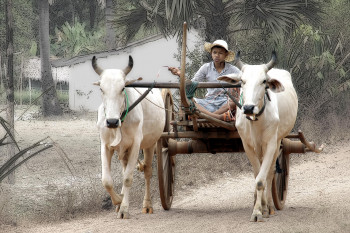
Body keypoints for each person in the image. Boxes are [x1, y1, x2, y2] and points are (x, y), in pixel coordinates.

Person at [168, 39, 240, 121]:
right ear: (211, 53)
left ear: (226, 55)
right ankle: (217, 117)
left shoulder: (233, 70)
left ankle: (209, 116)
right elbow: (191, 83)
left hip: (225, 103)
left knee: (235, 102)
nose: (217, 55)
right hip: (208, 102)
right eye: (215, 52)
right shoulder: (206, 67)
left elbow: (243, 81)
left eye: (220, 53)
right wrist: (179, 73)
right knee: (190, 101)